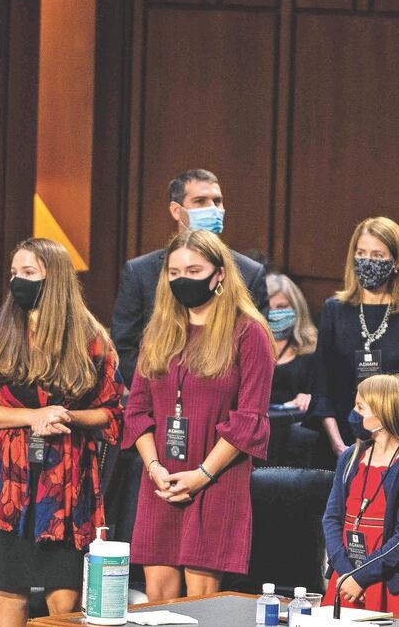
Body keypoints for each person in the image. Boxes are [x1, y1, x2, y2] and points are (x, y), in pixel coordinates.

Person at [0, 238, 124, 624]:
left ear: (55, 278)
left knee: (63, 594)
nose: (18, 281)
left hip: (68, 479)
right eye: (14, 273)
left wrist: (66, 418)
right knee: (10, 587)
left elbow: (112, 412)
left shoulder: (90, 336)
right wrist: (33, 417)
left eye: (29, 273)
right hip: (9, 477)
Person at [122, 229, 274, 600]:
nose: (182, 280)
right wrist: (155, 468)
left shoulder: (248, 332)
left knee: (200, 605)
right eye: (174, 273)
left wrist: (201, 475)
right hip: (160, 479)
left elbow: (249, 420)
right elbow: (137, 410)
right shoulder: (158, 332)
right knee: (158, 602)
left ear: (219, 274)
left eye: (193, 270)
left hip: (216, 479)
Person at [111, 169, 268, 386]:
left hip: (223, 400)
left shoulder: (250, 272)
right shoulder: (140, 271)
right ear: (176, 210)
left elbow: (258, 351)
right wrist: (154, 390)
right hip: (157, 395)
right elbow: (125, 345)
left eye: (217, 201)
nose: (212, 209)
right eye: (200, 201)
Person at [304, 217, 399, 467]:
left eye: (377, 255)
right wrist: (339, 445)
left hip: (393, 443)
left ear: (397, 263)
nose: (367, 261)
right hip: (337, 442)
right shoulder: (334, 310)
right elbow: (322, 388)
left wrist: (384, 445)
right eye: (361, 253)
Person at [321, 374, 399, 614]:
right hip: (345, 576)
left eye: (360, 407)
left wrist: (361, 577)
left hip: (382, 578)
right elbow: (331, 518)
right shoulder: (351, 456)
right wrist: (345, 571)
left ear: (385, 414)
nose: (353, 413)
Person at [267, 273, 316, 409]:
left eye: (281, 307)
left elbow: (322, 395)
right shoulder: (243, 349)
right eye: (268, 308)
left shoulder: (312, 350)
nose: (273, 314)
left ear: (296, 308)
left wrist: (309, 397)